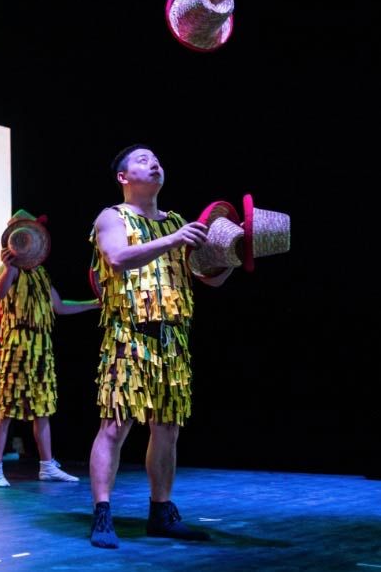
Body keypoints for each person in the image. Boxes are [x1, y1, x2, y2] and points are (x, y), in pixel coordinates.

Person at [87, 145, 230, 549]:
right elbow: (117, 258)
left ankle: (161, 511)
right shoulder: (112, 217)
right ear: (123, 177)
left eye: (157, 159)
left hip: (173, 339)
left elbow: (209, 278)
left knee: (167, 428)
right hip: (129, 334)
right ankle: (102, 513)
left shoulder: (177, 223)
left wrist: (230, 257)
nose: (154, 163)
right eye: (142, 159)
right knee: (115, 424)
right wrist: (174, 240)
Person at [0, 209, 99, 488]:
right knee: (6, 408)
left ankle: (47, 465)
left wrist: (94, 304)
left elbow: (59, 307)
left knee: (42, 407)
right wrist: (9, 268)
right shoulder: (10, 270)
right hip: (18, 345)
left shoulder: (40, 274)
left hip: (41, 346)